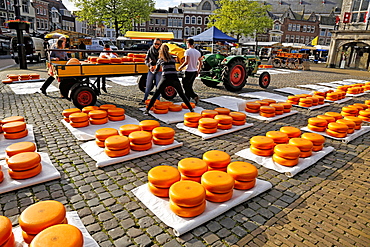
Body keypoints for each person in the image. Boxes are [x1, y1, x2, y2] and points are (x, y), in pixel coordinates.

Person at [145, 44, 194, 114]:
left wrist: (153, 72)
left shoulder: (160, 59)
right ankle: (191, 109)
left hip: (165, 78)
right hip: (174, 77)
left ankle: (147, 110)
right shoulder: (172, 58)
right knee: (182, 94)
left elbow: (156, 70)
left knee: (156, 93)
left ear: (161, 51)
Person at [178, 38, 202, 105]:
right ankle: (188, 99)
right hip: (194, 71)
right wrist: (198, 70)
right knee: (189, 86)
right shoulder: (198, 52)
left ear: (188, 43)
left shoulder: (187, 51)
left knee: (186, 86)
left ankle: (193, 97)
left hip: (188, 71)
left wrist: (180, 67)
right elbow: (200, 63)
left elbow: (186, 62)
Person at [141, 38, 162, 104]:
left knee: (158, 85)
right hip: (152, 68)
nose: (156, 45)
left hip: (159, 70)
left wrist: (158, 66)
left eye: (158, 44)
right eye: (155, 44)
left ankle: (157, 100)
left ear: (160, 44)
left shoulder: (162, 51)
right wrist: (149, 65)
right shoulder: (150, 50)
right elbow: (146, 60)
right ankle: (145, 99)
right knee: (148, 84)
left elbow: (163, 60)